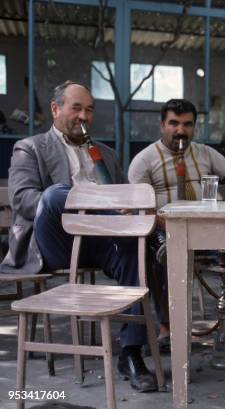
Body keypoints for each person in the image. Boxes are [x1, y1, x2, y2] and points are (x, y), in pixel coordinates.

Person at [0, 81, 160, 392]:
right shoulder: (30, 147)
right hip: (56, 241)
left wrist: (123, 211)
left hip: (101, 242)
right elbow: (23, 200)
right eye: (76, 107)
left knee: (134, 250)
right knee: (57, 194)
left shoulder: (107, 154)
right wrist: (87, 205)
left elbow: (123, 197)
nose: (83, 115)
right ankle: (121, 224)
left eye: (89, 109)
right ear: (56, 109)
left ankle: (130, 354)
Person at [128, 99, 225, 336]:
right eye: (174, 123)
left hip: (208, 228)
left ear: (195, 126)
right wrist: (167, 224)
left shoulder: (205, 153)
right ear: (162, 124)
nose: (180, 130)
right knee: (159, 256)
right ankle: (166, 324)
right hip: (165, 231)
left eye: (187, 124)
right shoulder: (144, 160)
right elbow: (139, 208)